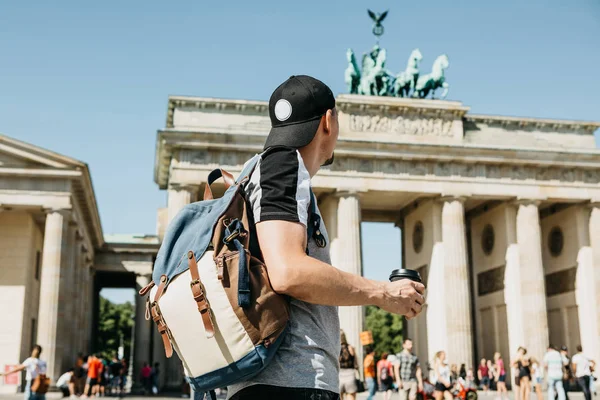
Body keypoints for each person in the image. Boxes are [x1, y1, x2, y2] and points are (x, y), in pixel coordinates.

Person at [225, 75, 425, 400]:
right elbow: (288, 271)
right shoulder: (284, 166)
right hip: (293, 381)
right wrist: (382, 293)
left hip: (269, 382)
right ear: (329, 121)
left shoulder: (258, 170)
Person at [338, 331, 358, 400]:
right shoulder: (351, 348)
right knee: (351, 396)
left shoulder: (336, 348)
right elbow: (356, 363)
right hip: (350, 374)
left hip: (339, 374)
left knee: (339, 397)